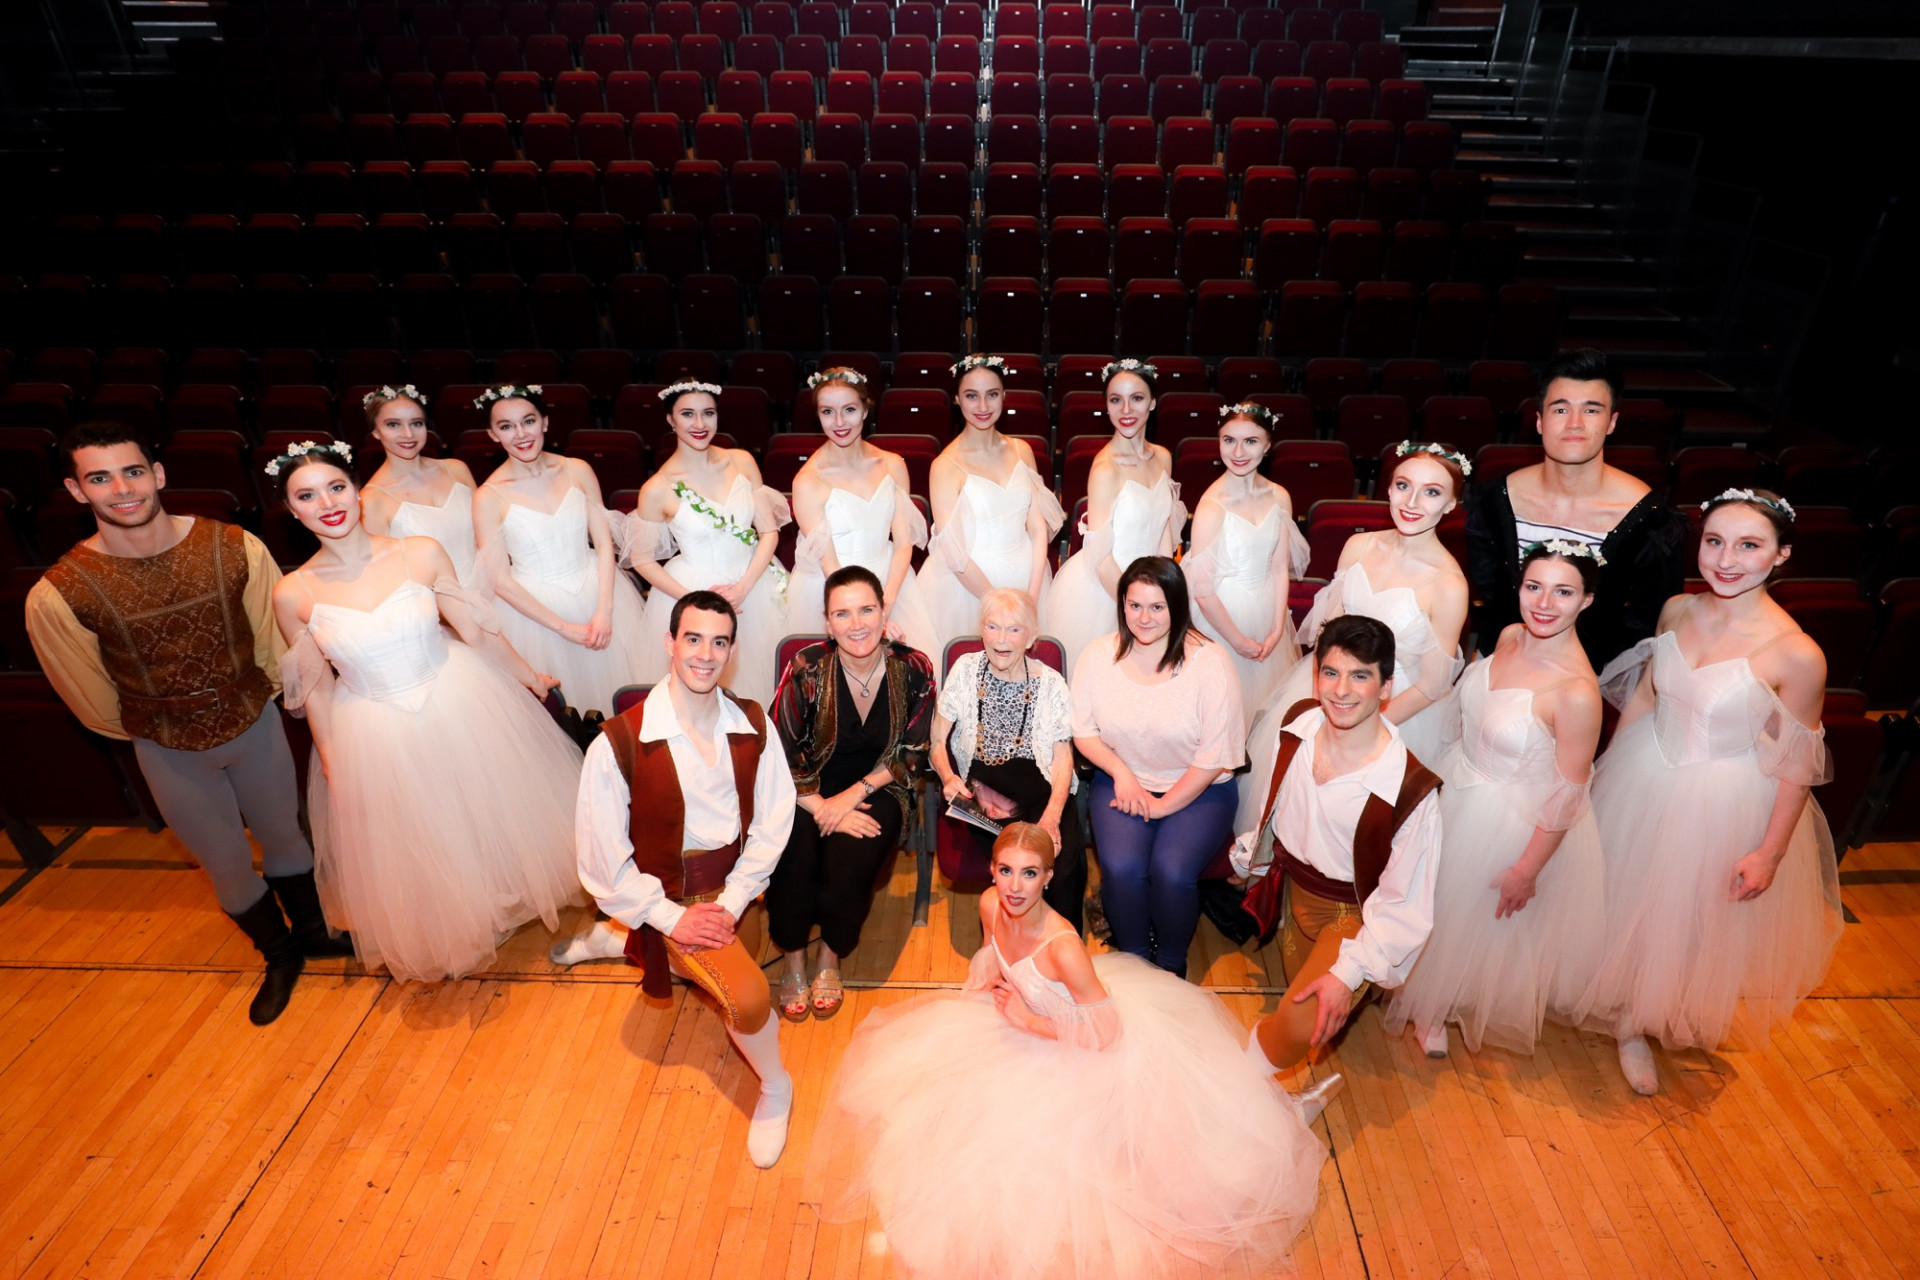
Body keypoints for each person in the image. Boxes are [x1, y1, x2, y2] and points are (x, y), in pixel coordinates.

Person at [808, 823, 1324, 1280]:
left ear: (1049, 878)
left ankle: (1279, 1115)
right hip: (1022, 1021)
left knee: (1154, 1166)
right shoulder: (990, 904)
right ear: (991, 870)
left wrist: (1030, 1021)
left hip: (1080, 1042)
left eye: (1030, 874)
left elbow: (1107, 1034)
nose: (1014, 887)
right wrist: (989, 983)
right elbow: (993, 951)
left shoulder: (1063, 947)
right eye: (1006, 870)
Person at [25, 422, 350, 1026]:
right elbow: (89, 694)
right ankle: (279, 956)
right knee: (226, 864)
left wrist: (246, 701)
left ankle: (313, 935)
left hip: (254, 726)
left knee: (286, 837)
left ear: (159, 474)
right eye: (100, 477)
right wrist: (164, 722)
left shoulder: (235, 546)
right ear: (77, 491)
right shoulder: (58, 593)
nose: (121, 488)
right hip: (168, 749)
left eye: (132, 471)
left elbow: (274, 644)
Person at [268, 443, 586, 983]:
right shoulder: (291, 593)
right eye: (307, 495)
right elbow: (317, 689)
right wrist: (332, 762)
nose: (326, 503)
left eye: (336, 487)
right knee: (424, 832)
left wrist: (530, 677)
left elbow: (475, 629)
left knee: (482, 808)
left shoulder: (419, 551)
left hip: (455, 695)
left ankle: (504, 898)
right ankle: (467, 915)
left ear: (358, 493)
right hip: (374, 727)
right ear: (292, 510)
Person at [1570, 489, 1841, 1095]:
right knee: (1625, 895)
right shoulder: (1675, 611)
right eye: (1715, 541)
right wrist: (1607, 774)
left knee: (1685, 918)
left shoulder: (1798, 654)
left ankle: (1642, 1019)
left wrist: (1768, 853)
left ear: (1781, 555)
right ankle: (1625, 1011)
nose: (1726, 559)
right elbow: (1646, 695)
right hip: (1646, 772)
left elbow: (1798, 764)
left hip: (1721, 798)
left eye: (1749, 546)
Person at [574, 589, 800, 1167]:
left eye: (719, 641)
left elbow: (775, 818)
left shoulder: (752, 722)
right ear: (669, 642)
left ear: (732, 649)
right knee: (749, 1003)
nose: (705, 654)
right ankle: (777, 1088)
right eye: (692, 638)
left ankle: (622, 938)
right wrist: (674, 918)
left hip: (736, 892)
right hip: (671, 896)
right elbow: (603, 863)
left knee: (739, 970)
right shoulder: (618, 743)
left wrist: (735, 899)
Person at [1380, 542, 1607, 1057]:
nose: (1544, 603)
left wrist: (1526, 870)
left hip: (1509, 819)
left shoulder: (1576, 693)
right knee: (1426, 897)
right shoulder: (1508, 636)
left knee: (1471, 922)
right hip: (1456, 780)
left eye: (1564, 591)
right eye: (1534, 586)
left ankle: (1439, 1004)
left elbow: (1569, 794)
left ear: (1587, 601)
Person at [1236, 615, 1445, 1104]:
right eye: (1331, 673)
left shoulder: (1410, 790)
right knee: (1296, 1008)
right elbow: (1278, 803)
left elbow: (1403, 907)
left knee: (1296, 1020)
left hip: (1352, 916)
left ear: (1386, 686)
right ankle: (1280, 1103)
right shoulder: (1300, 724)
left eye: (1360, 676)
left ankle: (1233, 1095)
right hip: (1294, 897)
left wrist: (1349, 974)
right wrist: (1252, 858)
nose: (1341, 691)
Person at [1237, 441, 1469, 834]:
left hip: (1396, 709)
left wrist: (1362, 725)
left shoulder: (1448, 584)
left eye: (1431, 492)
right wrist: (1325, 707)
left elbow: (1432, 684)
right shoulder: (1358, 546)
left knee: (1356, 832)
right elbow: (1331, 635)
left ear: (1450, 504)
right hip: (1330, 689)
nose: (1412, 501)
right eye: (1402, 485)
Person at [767, 566, 937, 1020]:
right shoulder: (806, 666)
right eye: (842, 613)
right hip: (806, 787)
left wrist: (850, 798)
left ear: (884, 614)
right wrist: (823, 803)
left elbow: (915, 752)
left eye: (867, 609)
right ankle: (793, 957)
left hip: (883, 786)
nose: (856, 623)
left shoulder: (915, 666)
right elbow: (780, 749)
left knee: (849, 860)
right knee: (793, 855)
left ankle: (830, 955)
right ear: (827, 623)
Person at [1070, 556, 1246, 977]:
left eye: (1157, 607)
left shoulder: (1210, 662)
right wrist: (1122, 774)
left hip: (1201, 788)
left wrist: (1164, 805)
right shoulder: (1098, 656)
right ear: (1122, 605)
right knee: (1121, 868)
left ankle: (1170, 965)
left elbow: (1213, 755)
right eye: (1134, 605)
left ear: (1177, 607)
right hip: (1122, 779)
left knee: (1171, 871)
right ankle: (1133, 962)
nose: (1143, 617)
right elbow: (1084, 732)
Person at [1466, 347, 1689, 670]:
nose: (1574, 424)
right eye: (1560, 410)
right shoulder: (1495, 500)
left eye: (1591, 410)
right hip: (1499, 666)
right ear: (1540, 421)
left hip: (1592, 679)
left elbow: (1652, 619)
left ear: (1612, 422)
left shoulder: (1650, 519)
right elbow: (1490, 591)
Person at [471, 383, 650, 716]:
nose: (520, 434)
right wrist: (563, 627)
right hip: (535, 616)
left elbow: (604, 542)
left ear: (545, 423)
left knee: (625, 707)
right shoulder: (487, 496)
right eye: (506, 426)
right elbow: (498, 579)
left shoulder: (577, 469)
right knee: (566, 717)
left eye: (528, 421)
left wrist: (605, 611)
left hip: (597, 591)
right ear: (493, 434)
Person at [928, 588, 1085, 931]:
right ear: (981, 630)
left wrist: (1052, 817)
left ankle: (1058, 959)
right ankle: (1007, 957)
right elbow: (936, 739)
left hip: (1044, 789)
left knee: (1064, 866)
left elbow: (1062, 757)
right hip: (986, 792)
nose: (1002, 639)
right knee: (1017, 866)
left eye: (1014, 629)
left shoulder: (1052, 684)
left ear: (1032, 637)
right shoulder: (965, 669)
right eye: (993, 627)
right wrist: (948, 777)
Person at [630, 380, 791, 706]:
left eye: (708, 413)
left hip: (754, 584)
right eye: (687, 414)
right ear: (670, 420)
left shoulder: (742, 461)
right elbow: (642, 559)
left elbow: (769, 532)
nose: (699, 424)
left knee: (770, 686)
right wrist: (695, 599)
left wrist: (744, 587)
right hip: (692, 589)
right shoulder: (657, 488)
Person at [916, 354, 1064, 665]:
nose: (983, 406)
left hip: (1028, 574)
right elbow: (953, 552)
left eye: (992, 394)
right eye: (972, 396)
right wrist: (997, 606)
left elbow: (1037, 528)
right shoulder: (945, 465)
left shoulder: (1022, 450)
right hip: (969, 586)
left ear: (1004, 396)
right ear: (957, 399)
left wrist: (1032, 597)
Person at [785, 367, 940, 660]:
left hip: (892, 582)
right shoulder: (807, 481)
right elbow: (829, 564)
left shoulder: (892, 464)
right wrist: (863, 611)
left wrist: (886, 603)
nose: (840, 422)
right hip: (835, 586)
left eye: (849, 410)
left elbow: (904, 543)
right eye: (828, 412)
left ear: (865, 410)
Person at [1046, 359, 1184, 676]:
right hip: (1108, 588)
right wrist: (1133, 606)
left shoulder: (1163, 457)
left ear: (1152, 403)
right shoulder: (1105, 468)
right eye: (1115, 400)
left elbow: (1164, 530)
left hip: (1152, 590)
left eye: (1136, 398)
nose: (1126, 409)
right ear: (1106, 407)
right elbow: (1100, 554)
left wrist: (1164, 592)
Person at [1185, 401, 1311, 711]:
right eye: (1229, 440)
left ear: (1267, 445)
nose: (1238, 452)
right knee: (1224, 706)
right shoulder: (1211, 505)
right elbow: (1202, 591)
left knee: (1262, 708)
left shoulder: (1280, 496)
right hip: (1222, 616)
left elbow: (1280, 568)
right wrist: (1238, 641)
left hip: (1267, 608)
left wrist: (1278, 628)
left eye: (1250, 441)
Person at [356, 385, 482, 588]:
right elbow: (385, 576)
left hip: (491, 591)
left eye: (416, 423)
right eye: (393, 425)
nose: (408, 434)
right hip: (434, 609)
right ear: (375, 432)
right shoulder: (372, 500)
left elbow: (487, 539)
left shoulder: (457, 470)